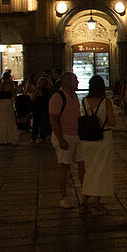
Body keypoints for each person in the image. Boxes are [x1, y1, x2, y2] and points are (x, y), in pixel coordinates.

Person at [79, 75, 116, 213]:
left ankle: (84, 200)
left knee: (90, 170)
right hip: (103, 138)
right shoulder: (105, 102)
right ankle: (95, 202)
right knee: (102, 170)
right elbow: (112, 122)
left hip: (87, 140)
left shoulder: (84, 101)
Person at [49, 71, 86, 208]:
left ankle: (85, 194)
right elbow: (53, 119)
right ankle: (63, 197)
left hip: (77, 135)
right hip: (65, 135)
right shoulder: (57, 97)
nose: (77, 83)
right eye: (75, 81)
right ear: (66, 82)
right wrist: (60, 139)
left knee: (83, 164)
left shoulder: (74, 96)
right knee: (63, 166)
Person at [0, 70, 18, 145]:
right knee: (9, 120)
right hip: (8, 103)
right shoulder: (10, 86)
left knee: (1, 121)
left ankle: (1, 139)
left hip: (1, 104)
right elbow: (14, 95)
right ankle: (8, 138)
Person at [30, 75, 53, 144]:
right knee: (44, 123)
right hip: (45, 108)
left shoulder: (39, 90)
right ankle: (45, 136)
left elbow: (32, 98)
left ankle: (36, 137)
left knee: (37, 123)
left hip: (38, 108)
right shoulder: (49, 90)